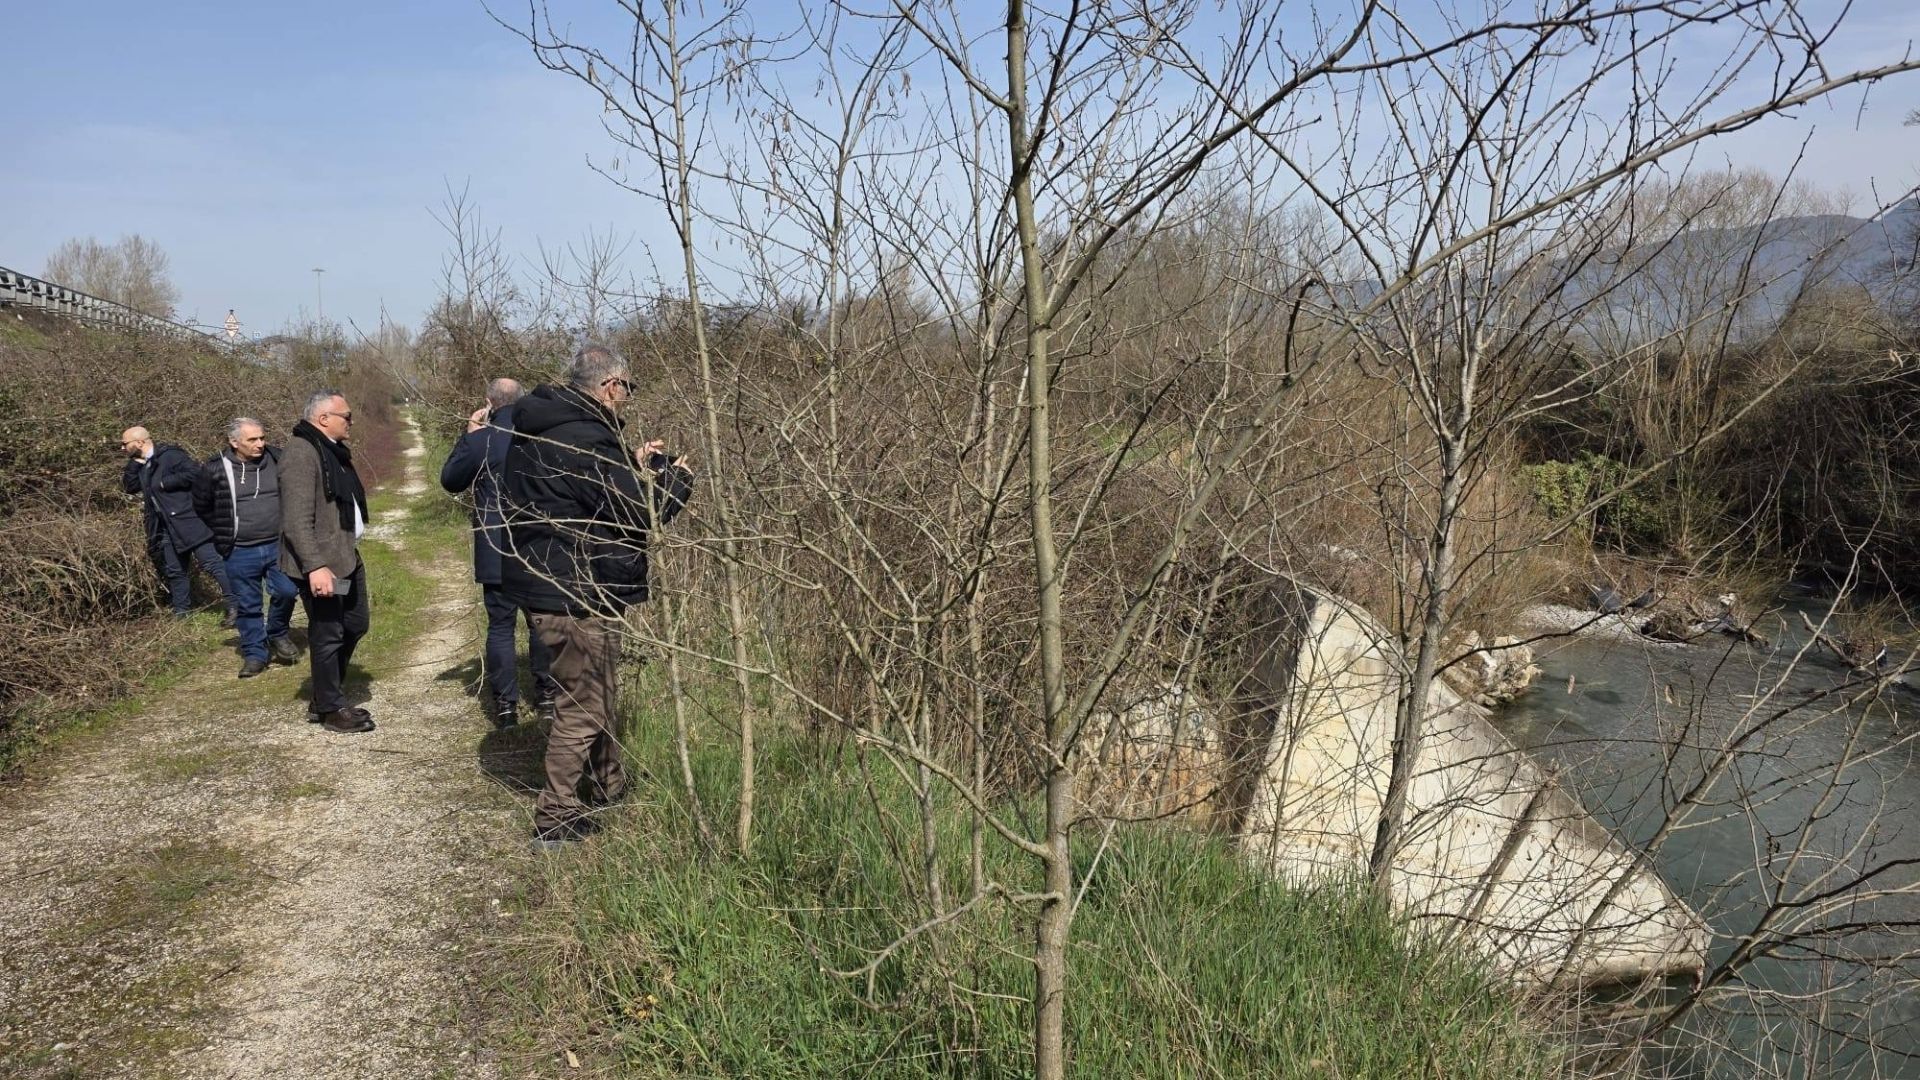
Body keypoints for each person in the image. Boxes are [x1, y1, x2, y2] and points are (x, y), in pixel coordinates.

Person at [500, 343, 693, 850]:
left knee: (597, 688)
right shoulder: (586, 438)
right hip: (577, 590)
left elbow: (574, 494)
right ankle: (556, 816)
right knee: (585, 701)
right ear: (610, 387)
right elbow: (638, 513)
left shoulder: (542, 430)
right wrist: (675, 480)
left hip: (552, 582)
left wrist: (626, 464)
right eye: (627, 389)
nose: (628, 400)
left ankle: (609, 785)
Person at [441, 377, 558, 729]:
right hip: (537, 546)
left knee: (501, 627)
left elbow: (450, 479)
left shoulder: (483, 440)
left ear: (489, 403)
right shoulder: (540, 438)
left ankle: (505, 706)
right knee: (540, 624)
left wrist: (470, 434)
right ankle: (547, 696)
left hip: (495, 549)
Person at [279, 390, 374, 734]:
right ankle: (331, 709)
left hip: (344, 556)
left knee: (355, 623)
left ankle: (323, 696)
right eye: (345, 416)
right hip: (322, 564)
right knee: (329, 631)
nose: (351, 421)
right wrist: (315, 566)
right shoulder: (301, 455)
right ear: (323, 419)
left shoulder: (330, 451)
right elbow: (295, 521)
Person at [195, 417, 302, 678]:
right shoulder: (215, 469)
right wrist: (225, 533)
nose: (260, 444)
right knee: (248, 605)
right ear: (234, 442)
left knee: (287, 591)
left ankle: (277, 632)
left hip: (278, 545)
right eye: (252, 440)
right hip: (239, 549)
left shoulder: (277, 459)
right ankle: (255, 653)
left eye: (262, 438)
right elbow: (202, 504)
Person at [120, 425, 236, 623]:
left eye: (125, 443)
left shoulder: (170, 456)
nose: (122, 448)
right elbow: (130, 487)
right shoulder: (142, 464)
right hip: (164, 527)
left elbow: (196, 473)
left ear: (139, 442)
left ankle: (236, 606)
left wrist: (166, 483)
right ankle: (181, 614)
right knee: (175, 571)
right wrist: (135, 463)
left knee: (212, 564)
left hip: (190, 522)